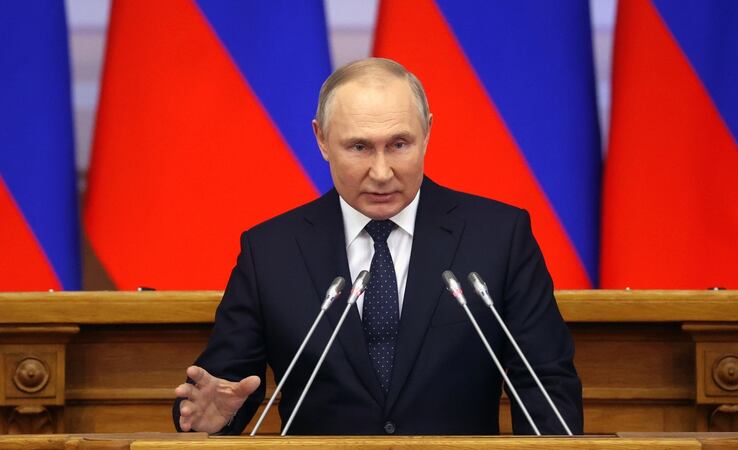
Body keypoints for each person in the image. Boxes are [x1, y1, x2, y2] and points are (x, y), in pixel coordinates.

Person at [173, 57, 582, 435]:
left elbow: (544, 385)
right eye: (360, 147)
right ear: (321, 139)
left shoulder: (499, 236)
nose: (382, 172)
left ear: (427, 133)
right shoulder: (271, 251)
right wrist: (213, 419)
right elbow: (223, 388)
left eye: (399, 144)